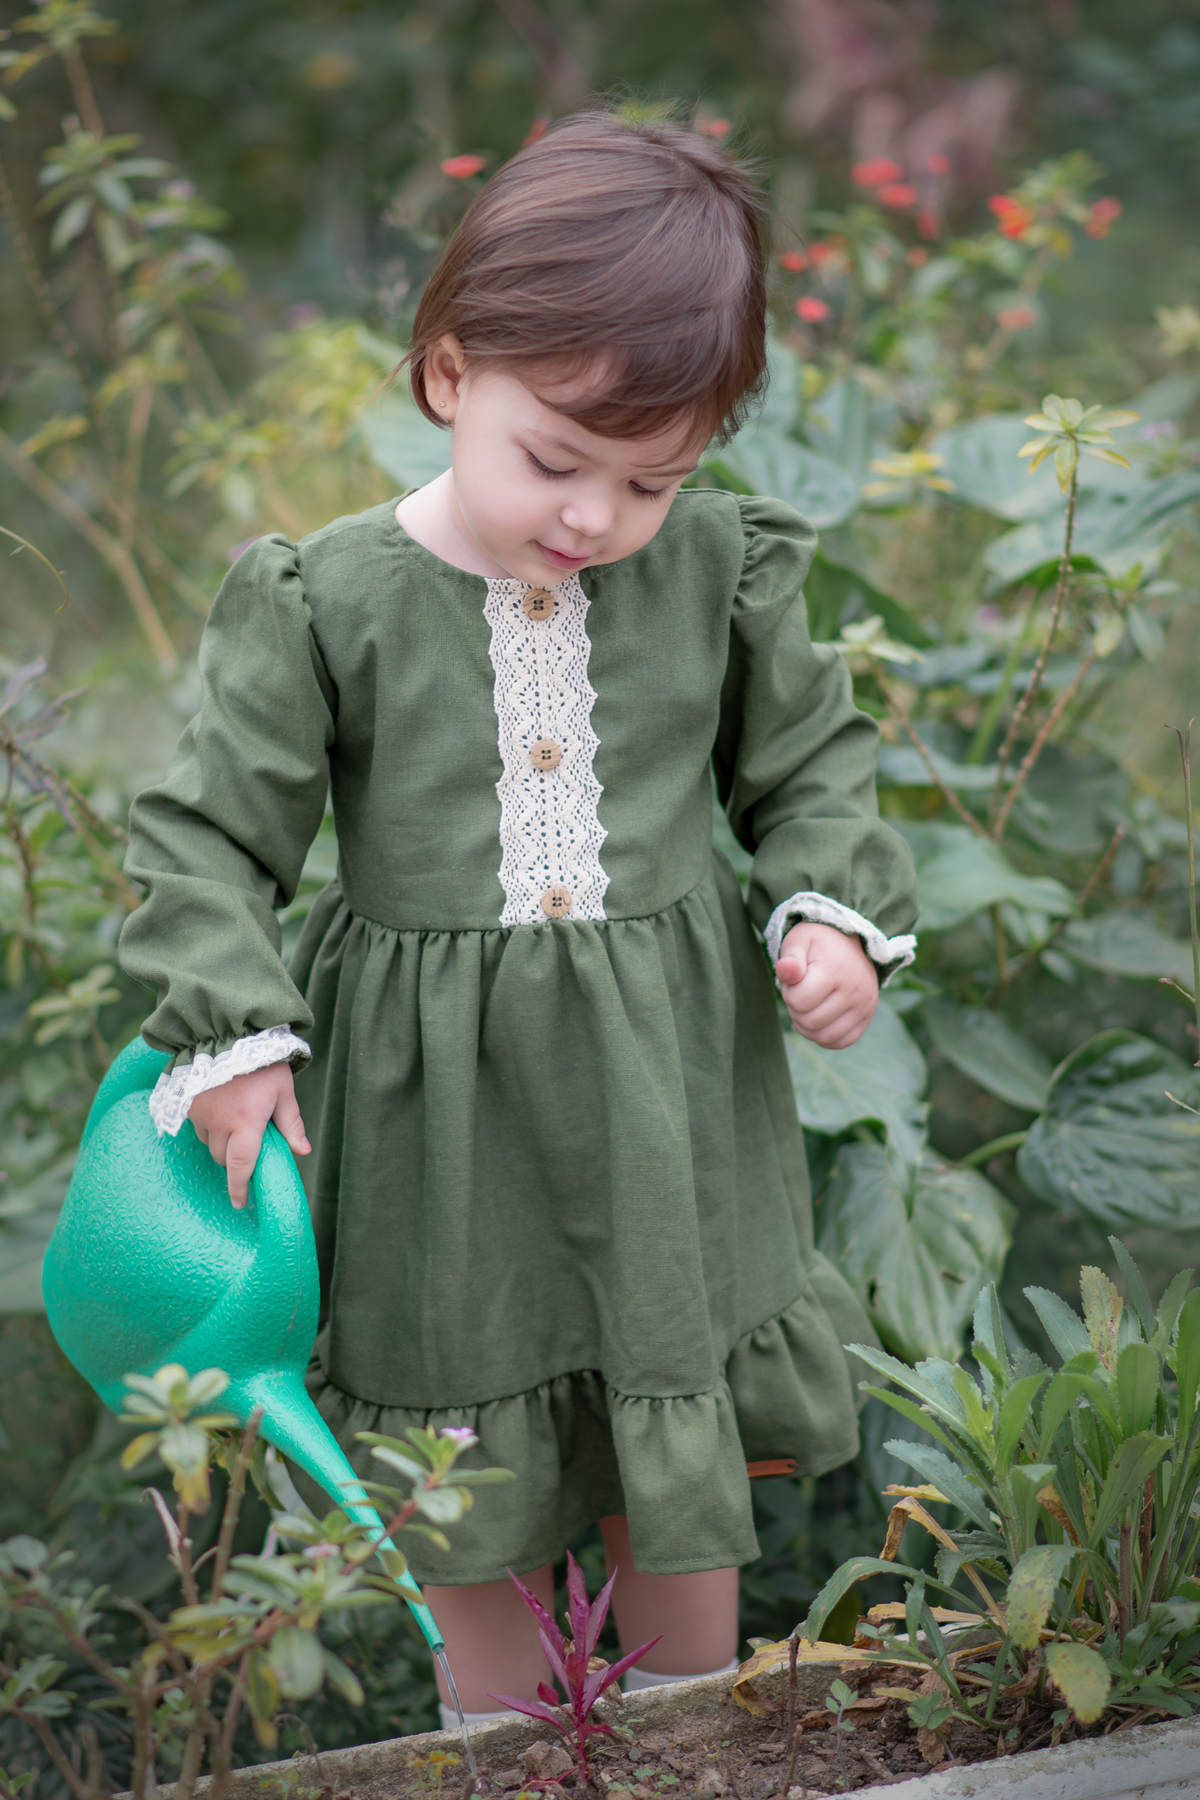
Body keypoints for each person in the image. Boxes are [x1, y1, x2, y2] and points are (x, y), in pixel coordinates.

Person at [119, 111, 918, 1729]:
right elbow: (206, 831)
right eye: (555, 459)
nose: (595, 518)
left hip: (667, 1104)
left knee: (664, 1413)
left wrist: (830, 911)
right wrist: (228, 1027)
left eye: (653, 477)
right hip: (441, 1133)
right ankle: (498, 1741)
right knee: (454, 1444)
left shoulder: (715, 572)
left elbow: (811, 764)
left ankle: (689, 1728)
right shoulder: (326, 599)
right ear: (445, 372)